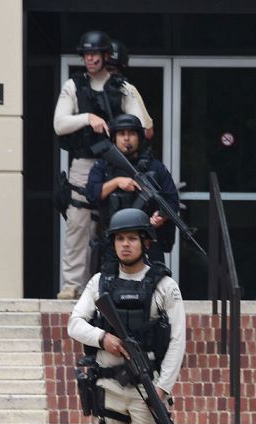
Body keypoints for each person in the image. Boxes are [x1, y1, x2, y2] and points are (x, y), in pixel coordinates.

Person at [67, 208, 186, 424]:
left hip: (149, 391)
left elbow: (177, 341)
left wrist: (162, 388)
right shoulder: (99, 282)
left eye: (132, 238)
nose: (126, 244)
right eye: (120, 238)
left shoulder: (165, 286)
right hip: (109, 390)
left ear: (146, 242)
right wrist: (102, 338)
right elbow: (75, 323)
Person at [53, 30, 152, 299]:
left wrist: (121, 131)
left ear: (106, 56)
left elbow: (144, 126)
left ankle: (119, 283)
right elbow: (59, 124)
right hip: (84, 163)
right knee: (78, 222)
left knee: (120, 222)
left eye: (95, 54)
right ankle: (73, 284)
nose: (91, 59)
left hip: (116, 163)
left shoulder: (122, 87)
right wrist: (87, 117)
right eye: (87, 54)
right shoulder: (74, 85)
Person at [85, 113, 178, 269]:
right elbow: (92, 194)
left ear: (139, 138)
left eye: (131, 134)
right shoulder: (103, 166)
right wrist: (116, 182)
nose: (126, 139)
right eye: (122, 134)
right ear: (114, 138)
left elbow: (172, 202)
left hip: (147, 240)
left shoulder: (155, 167)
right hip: (112, 241)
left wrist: (161, 216)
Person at [107, 38, 154, 140]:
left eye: (111, 69)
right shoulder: (82, 88)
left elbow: (147, 132)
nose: (107, 74)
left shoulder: (126, 89)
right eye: (104, 69)